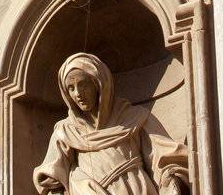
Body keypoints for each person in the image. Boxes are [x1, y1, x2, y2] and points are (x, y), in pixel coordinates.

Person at [33, 52, 189, 195]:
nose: (78, 94)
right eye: (71, 88)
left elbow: (165, 158)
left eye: (83, 84)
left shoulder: (134, 118)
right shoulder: (66, 131)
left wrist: (171, 178)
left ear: (98, 83)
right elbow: (52, 177)